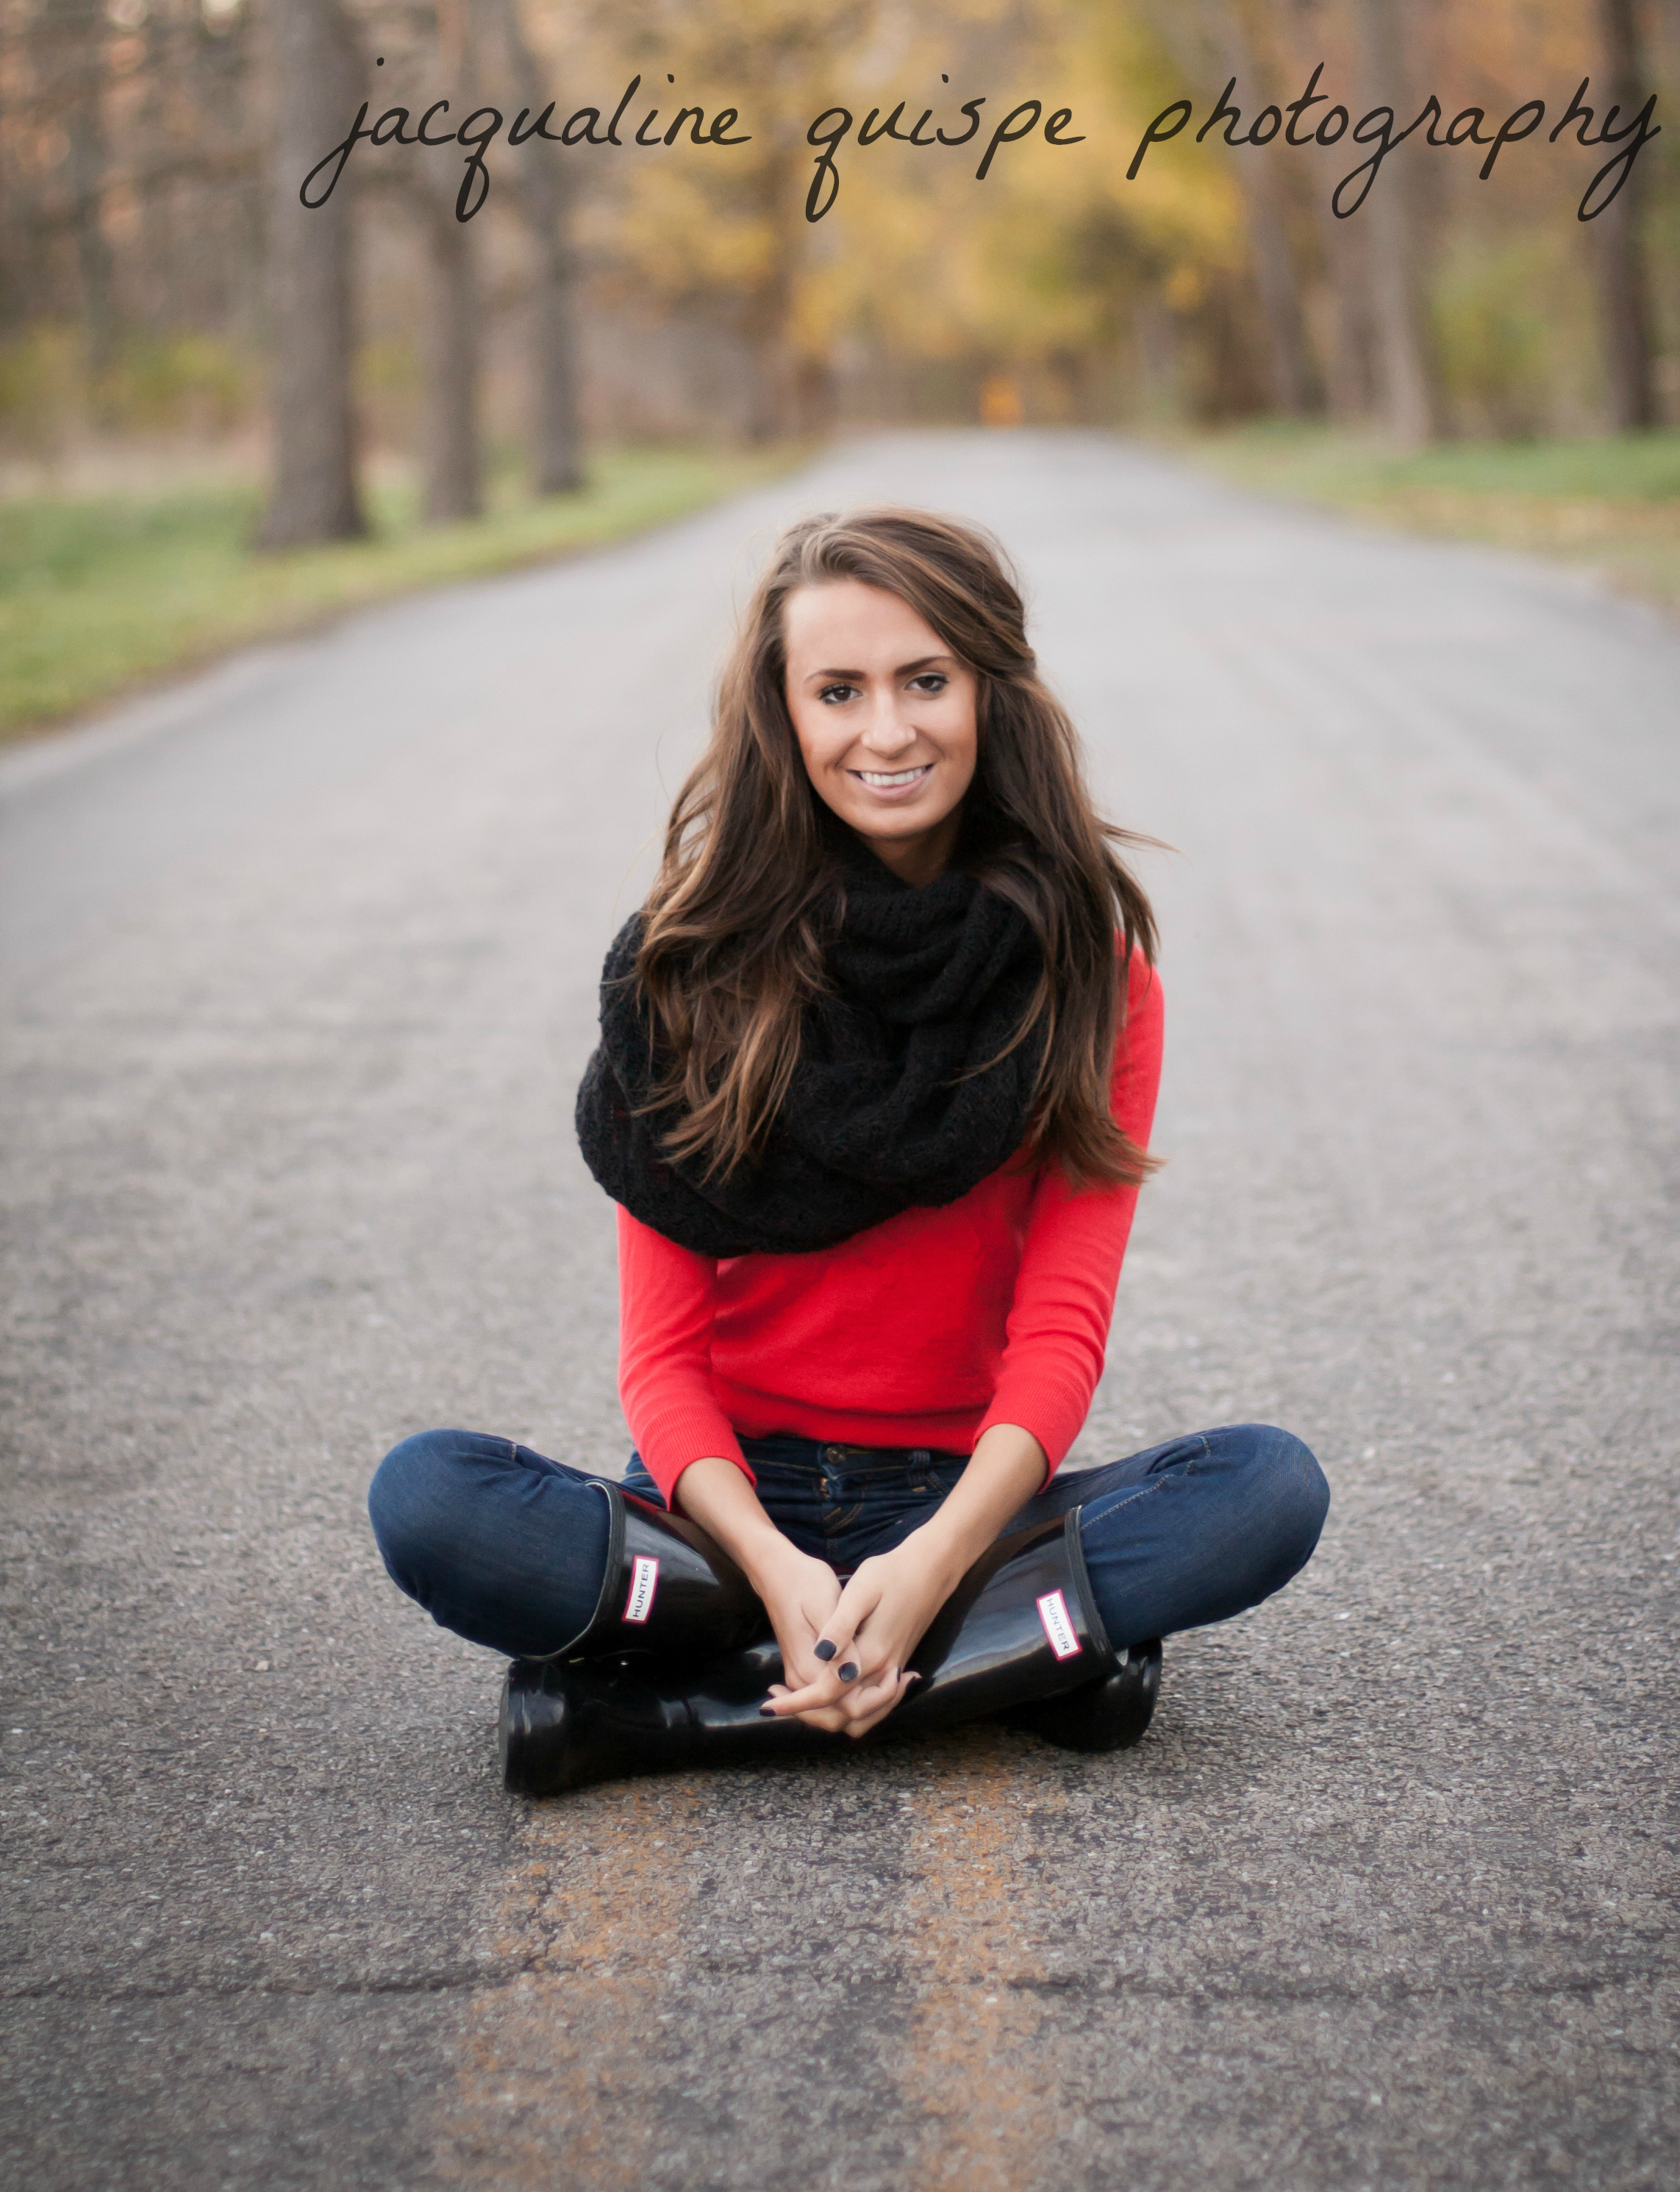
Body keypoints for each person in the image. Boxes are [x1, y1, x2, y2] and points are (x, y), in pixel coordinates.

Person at [369, 509, 1328, 1795]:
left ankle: (680, 1710)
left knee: (1267, 1490)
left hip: (964, 1505)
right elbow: (661, 1358)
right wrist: (776, 1566)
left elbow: (1060, 1330)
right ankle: (1011, 1660)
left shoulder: (1091, 980)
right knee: (427, 1496)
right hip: (716, 1521)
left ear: (991, 692)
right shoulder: (688, 969)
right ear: (784, 715)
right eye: (838, 691)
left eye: (925, 680)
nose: (886, 732)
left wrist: (929, 1561)